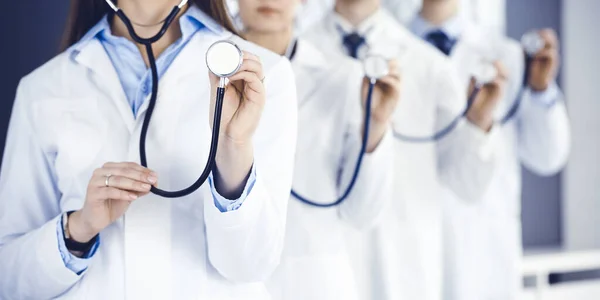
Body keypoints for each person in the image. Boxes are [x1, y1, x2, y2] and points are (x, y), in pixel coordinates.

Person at [0, 0, 298, 299]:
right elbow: (9, 278)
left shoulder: (260, 75)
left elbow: (249, 264)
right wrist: (77, 230)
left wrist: (235, 146)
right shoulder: (42, 88)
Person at [303, 0, 505, 299]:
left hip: (405, 266)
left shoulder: (429, 64)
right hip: (320, 263)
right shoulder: (298, 57)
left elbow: (468, 186)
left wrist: (478, 123)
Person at [236, 0, 398, 299]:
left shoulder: (344, 76)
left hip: (312, 280)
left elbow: (362, 214)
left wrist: (375, 125)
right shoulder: (206, 72)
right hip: (227, 275)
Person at [410, 0, 571, 299]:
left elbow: (549, 156)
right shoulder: (392, 52)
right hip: (411, 245)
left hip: (484, 251)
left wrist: (540, 90)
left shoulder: (506, 55)